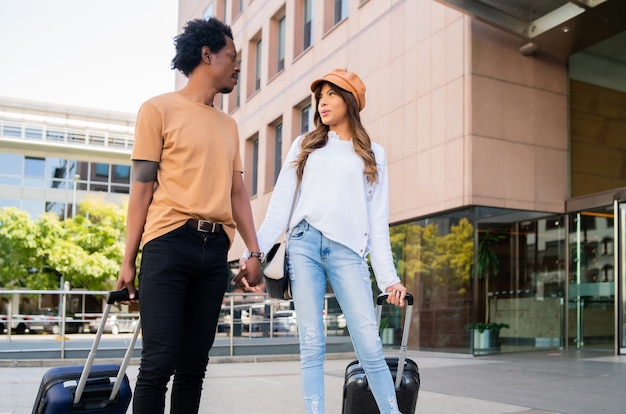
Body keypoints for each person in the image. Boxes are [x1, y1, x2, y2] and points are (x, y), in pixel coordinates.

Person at [236, 68, 408, 414]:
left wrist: (389, 279)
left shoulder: (374, 153)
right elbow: (280, 207)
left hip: (348, 252)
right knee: (312, 344)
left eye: (332, 94)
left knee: (370, 345)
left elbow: (377, 221)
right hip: (304, 245)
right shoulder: (305, 144)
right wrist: (251, 254)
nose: (323, 101)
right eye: (321, 96)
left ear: (350, 101)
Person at [116, 17, 263, 414]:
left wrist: (254, 252)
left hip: (215, 251)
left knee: (194, 364)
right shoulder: (157, 110)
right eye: (232, 56)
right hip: (168, 244)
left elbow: (237, 193)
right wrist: (128, 261)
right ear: (207, 54)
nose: (237, 66)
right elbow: (142, 188)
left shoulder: (229, 126)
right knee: (159, 360)